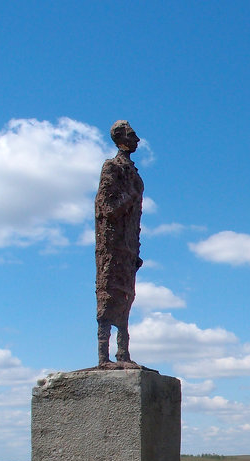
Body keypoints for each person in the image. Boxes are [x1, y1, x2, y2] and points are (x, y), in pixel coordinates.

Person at [95, 120, 144, 366]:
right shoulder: (112, 168)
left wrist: (135, 251)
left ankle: (123, 353)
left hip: (127, 247)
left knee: (127, 298)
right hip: (111, 246)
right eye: (132, 135)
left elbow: (135, 218)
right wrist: (130, 196)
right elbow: (107, 207)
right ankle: (103, 356)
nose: (137, 140)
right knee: (108, 296)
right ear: (120, 138)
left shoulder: (134, 174)